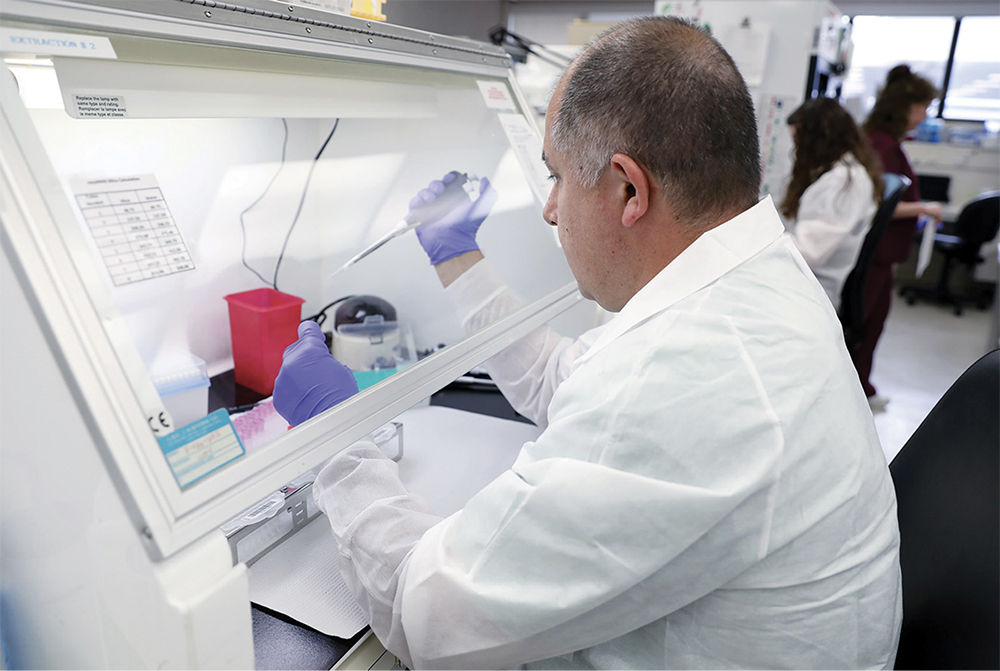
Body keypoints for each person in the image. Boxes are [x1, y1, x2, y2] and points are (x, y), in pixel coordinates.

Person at [274, 17, 902, 669]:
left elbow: (429, 615)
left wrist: (338, 441)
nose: (550, 208)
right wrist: (457, 258)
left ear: (629, 189)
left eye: (557, 177)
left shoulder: (687, 377)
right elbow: (562, 378)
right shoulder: (745, 278)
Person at [858, 65, 943, 410]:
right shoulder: (882, 145)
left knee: (873, 320)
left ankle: (861, 385)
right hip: (874, 252)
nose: (924, 115)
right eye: (921, 106)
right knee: (863, 323)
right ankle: (856, 388)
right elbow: (882, 203)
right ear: (904, 106)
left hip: (883, 254)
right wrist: (923, 208)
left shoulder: (888, 143)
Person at [780, 97, 883, 310]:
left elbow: (808, 253)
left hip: (812, 295)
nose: (796, 150)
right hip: (802, 285)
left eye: (799, 142)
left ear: (819, 140)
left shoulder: (844, 182)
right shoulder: (836, 173)